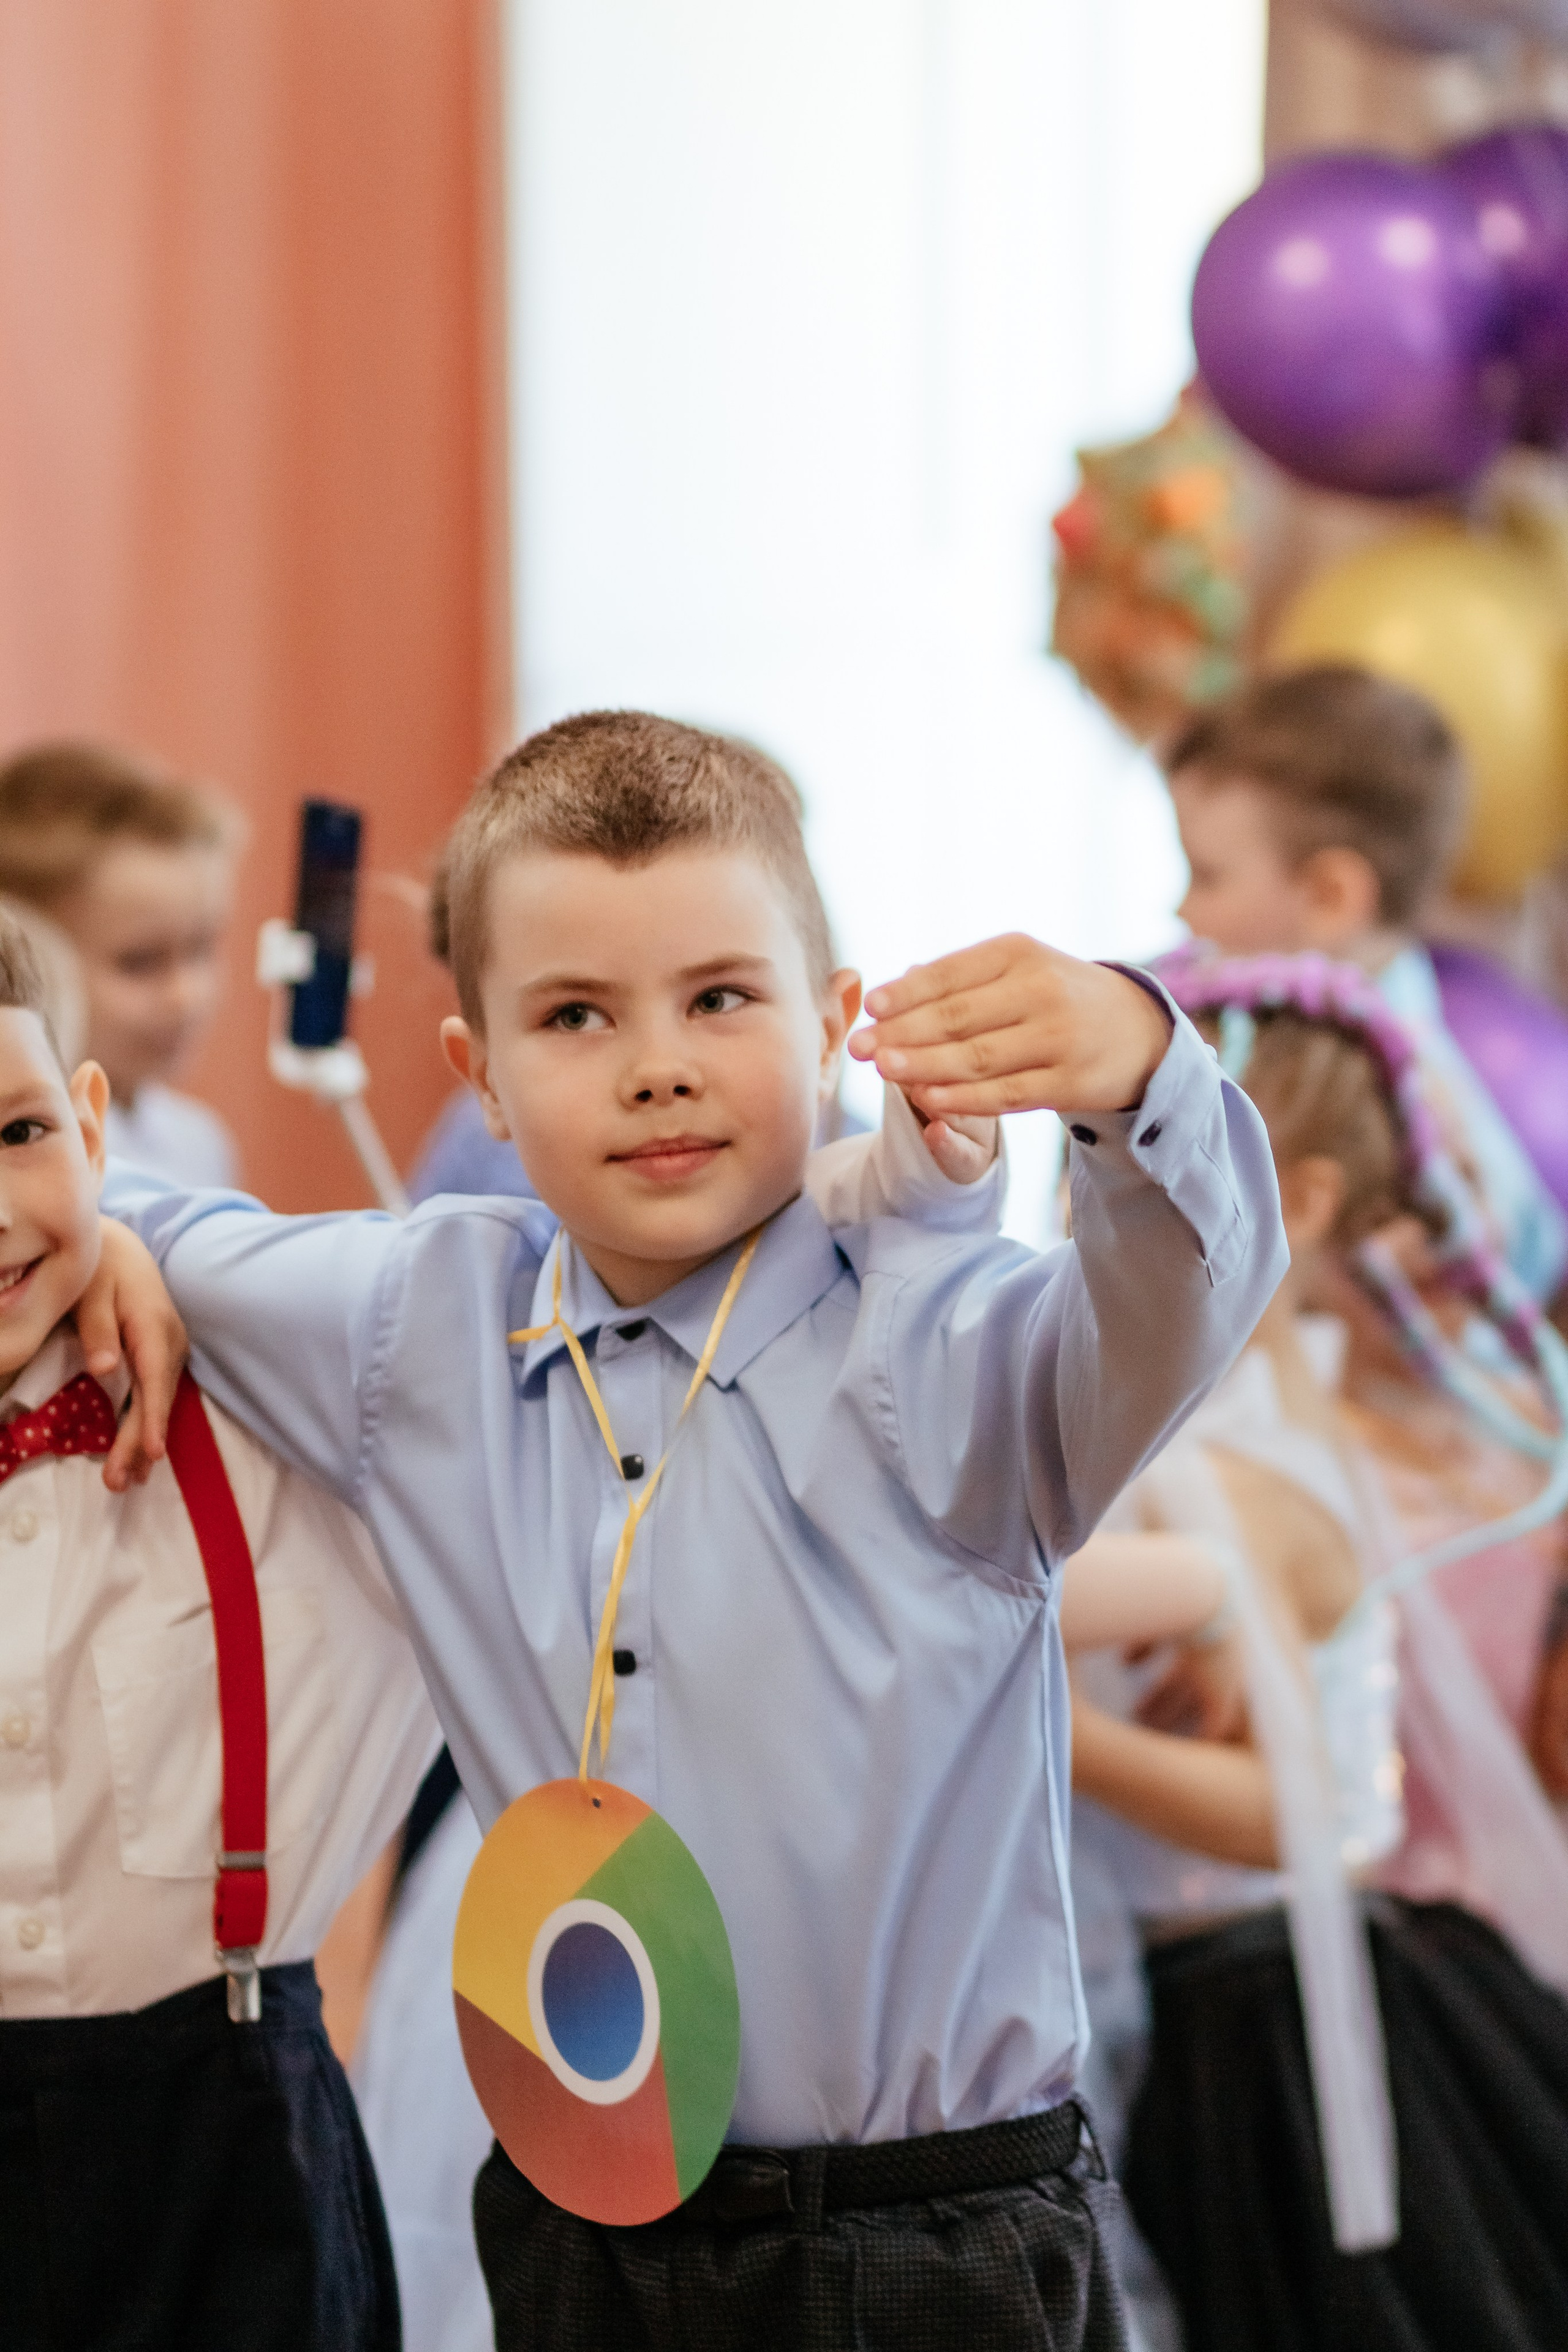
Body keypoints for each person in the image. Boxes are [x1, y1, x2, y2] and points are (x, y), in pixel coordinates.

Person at [95, 708, 1286, 2352]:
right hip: (587, 2235)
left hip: (929, 2238)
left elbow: (1179, 1293)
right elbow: (116, 1209)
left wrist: (1145, 1068)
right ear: (481, 1077)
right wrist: (88, 1232)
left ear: (833, 1024)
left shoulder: (944, 1347)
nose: (658, 1062)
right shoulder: (418, 1328)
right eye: (575, 1014)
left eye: (721, 997)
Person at [1072, 953, 1568, 2352]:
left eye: (1118, 1164)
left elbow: (1320, 1816)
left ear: (1282, 1205)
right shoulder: (1240, 1431)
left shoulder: (1222, 1470)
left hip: (1261, 2021)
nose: (1073, 1208)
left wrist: (1060, 1740)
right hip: (1206, 1998)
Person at [0, 903, 445, 2350]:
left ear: (88, 1118)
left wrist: (151, 1235)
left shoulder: (278, 1409)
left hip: (240, 2155)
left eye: (17, 1136)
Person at [1164, 663, 1568, 1305]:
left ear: (1329, 896)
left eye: (1206, 877)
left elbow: (1513, 1273)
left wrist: (1442, 1259)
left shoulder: (1416, 1106)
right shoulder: (1198, 993)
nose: (1182, 909)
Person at [0, 739, 240, 1186]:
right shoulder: (24, 1164)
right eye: (141, 962)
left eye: (201, 947)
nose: (187, 995)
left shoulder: (199, 1143)